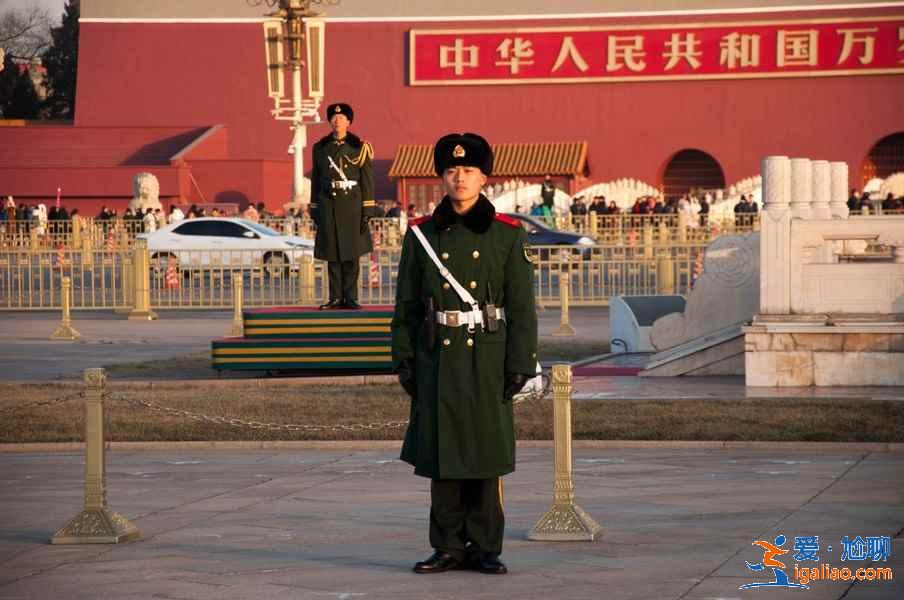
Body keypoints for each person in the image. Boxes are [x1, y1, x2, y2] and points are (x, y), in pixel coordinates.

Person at [391, 132, 538, 576]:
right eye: (452, 170)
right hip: (439, 356)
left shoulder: (505, 234)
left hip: (487, 356)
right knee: (444, 455)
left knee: (485, 453)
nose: (460, 178)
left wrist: (520, 363)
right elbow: (406, 304)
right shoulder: (422, 235)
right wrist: (404, 358)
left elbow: (521, 307)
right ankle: (447, 546)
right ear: (442, 176)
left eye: (469, 170)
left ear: (484, 177)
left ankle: (485, 547)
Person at [310, 102, 380, 309]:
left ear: (349, 122)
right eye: (333, 118)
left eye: (341, 118)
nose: (337, 121)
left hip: (351, 206)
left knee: (351, 255)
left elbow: (367, 180)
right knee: (332, 254)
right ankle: (335, 297)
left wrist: (367, 209)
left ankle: (350, 297)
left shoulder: (359, 147)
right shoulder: (320, 148)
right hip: (328, 204)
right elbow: (316, 179)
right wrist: (314, 206)